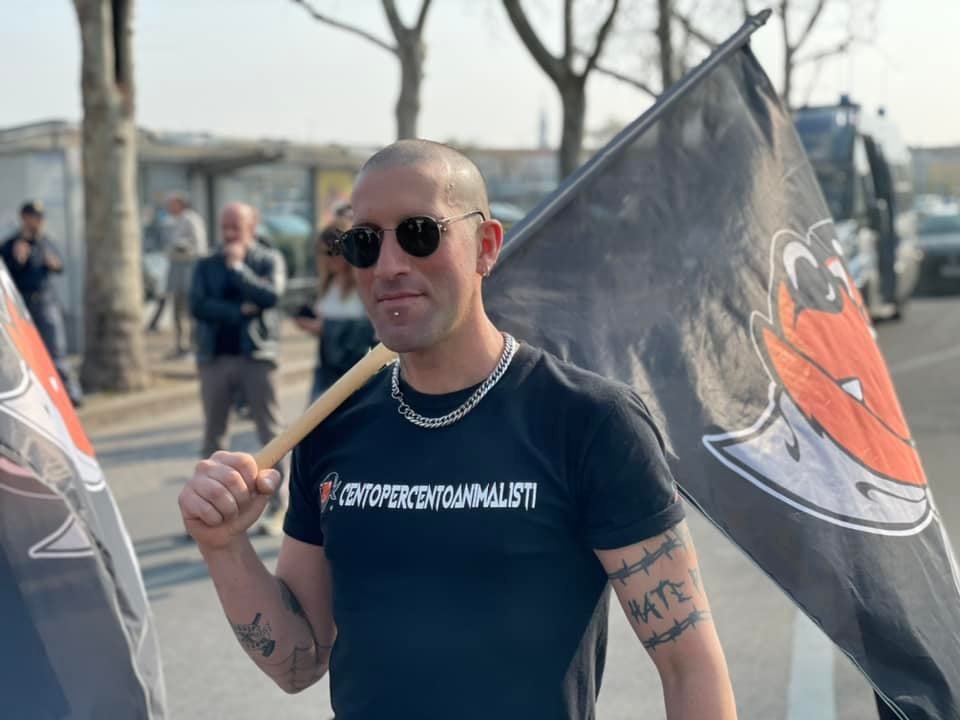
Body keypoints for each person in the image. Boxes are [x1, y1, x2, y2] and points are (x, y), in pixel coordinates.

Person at [178, 141, 737, 718]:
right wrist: (224, 545)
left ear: (485, 246)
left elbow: (690, 665)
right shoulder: (331, 425)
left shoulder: (591, 422)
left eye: (419, 233)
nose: (389, 265)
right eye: (365, 242)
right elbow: (298, 663)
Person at [188, 202, 287, 536]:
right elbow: (198, 305)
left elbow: (272, 296)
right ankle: (209, 507)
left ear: (252, 227)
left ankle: (281, 506)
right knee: (214, 435)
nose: (229, 233)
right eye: (225, 226)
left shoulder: (267, 259)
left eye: (237, 227)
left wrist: (239, 269)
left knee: (270, 431)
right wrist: (240, 311)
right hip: (215, 357)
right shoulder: (206, 264)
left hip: (257, 355)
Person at [1, 201, 83, 407]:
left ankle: (70, 395)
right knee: (23, 355)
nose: (37, 222)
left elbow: (59, 266)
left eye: (40, 218)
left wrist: (52, 262)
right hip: (20, 305)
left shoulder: (45, 243)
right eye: (33, 217)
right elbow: (6, 273)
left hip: (45, 301)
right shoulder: (11, 244)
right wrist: (16, 259)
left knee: (56, 351)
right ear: (24, 218)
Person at [295, 222, 375, 403]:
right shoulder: (327, 285)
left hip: (357, 369)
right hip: (327, 368)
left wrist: (325, 327)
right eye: (325, 253)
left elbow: (370, 329)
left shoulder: (363, 284)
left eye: (335, 252)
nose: (331, 259)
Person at [162, 192, 207, 357]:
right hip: (176, 269)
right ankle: (180, 345)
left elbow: (200, 247)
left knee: (191, 310)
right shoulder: (170, 221)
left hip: (190, 269)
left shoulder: (192, 219)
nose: (169, 207)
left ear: (180, 203)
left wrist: (184, 248)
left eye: (172, 203)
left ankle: (194, 345)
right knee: (177, 310)